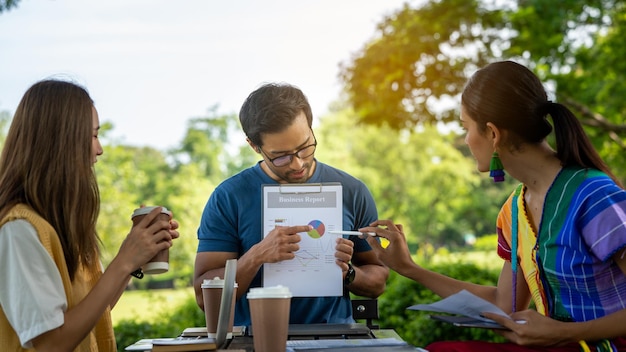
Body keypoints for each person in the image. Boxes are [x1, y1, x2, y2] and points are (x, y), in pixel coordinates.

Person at [360, 61, 626, 351]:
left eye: (466, 127)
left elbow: (557, 331)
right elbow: (505, 304)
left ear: (492, 133)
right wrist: (410, 268)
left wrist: (565, 333)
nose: (466, 139)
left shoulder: (594, 195)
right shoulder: (514, 211)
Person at [0, 79, 180, 351]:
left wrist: (134, 259)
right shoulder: (19, 230)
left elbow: (93, 314)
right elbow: (51, 344)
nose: (100, 149)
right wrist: (122, 261)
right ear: (61, 142)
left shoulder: (59, 225)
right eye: (93, 135)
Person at [193, 82, 388, 326]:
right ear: (254, 146)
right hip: (255, 342)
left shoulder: (351, 191)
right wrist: (255, 256)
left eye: (305, 147)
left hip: (334, 339)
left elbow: (378, 281)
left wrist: (348, 273)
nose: (297, 164)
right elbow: (203, 296)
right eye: (281, 156)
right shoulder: (229, 197)